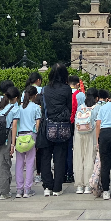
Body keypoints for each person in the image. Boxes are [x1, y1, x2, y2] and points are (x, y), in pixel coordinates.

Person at [39, 63, 74, 197]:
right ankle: (57, 187)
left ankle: (47, 186)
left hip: (48, 126)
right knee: (60, 158)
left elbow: (43, 108)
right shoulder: (66, 89)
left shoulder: (45, 89)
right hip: (63, 127)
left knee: (46, 157)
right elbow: (69, 108)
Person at [0, 85, 19, 200]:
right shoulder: (15, 109)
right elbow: (14, 126)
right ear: (15, 98)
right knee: (4, 164)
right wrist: (13, 144)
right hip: (5, 137)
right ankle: (4, 192)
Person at [15, 85, 41, 198]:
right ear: (34, 96)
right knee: (30, 162)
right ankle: (27, 189)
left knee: (19, 163)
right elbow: (38, 123)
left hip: (20, 136)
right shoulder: (36, 107)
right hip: (31, 135)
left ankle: (19, 189)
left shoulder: (19, 107)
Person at [74, 87, 96, 194]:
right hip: (91, 134)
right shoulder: (96, 108)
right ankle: (88, 185)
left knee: (79, 158)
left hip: (79, 134)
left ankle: (79, 186)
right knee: (89, 158)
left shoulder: (80, 107)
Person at [23, 71, 45, 183]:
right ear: (38, 80)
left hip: (23, 128)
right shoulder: (41, 90)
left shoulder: (24, 92)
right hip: (35, 127)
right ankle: (37, 174)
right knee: (37, 152)